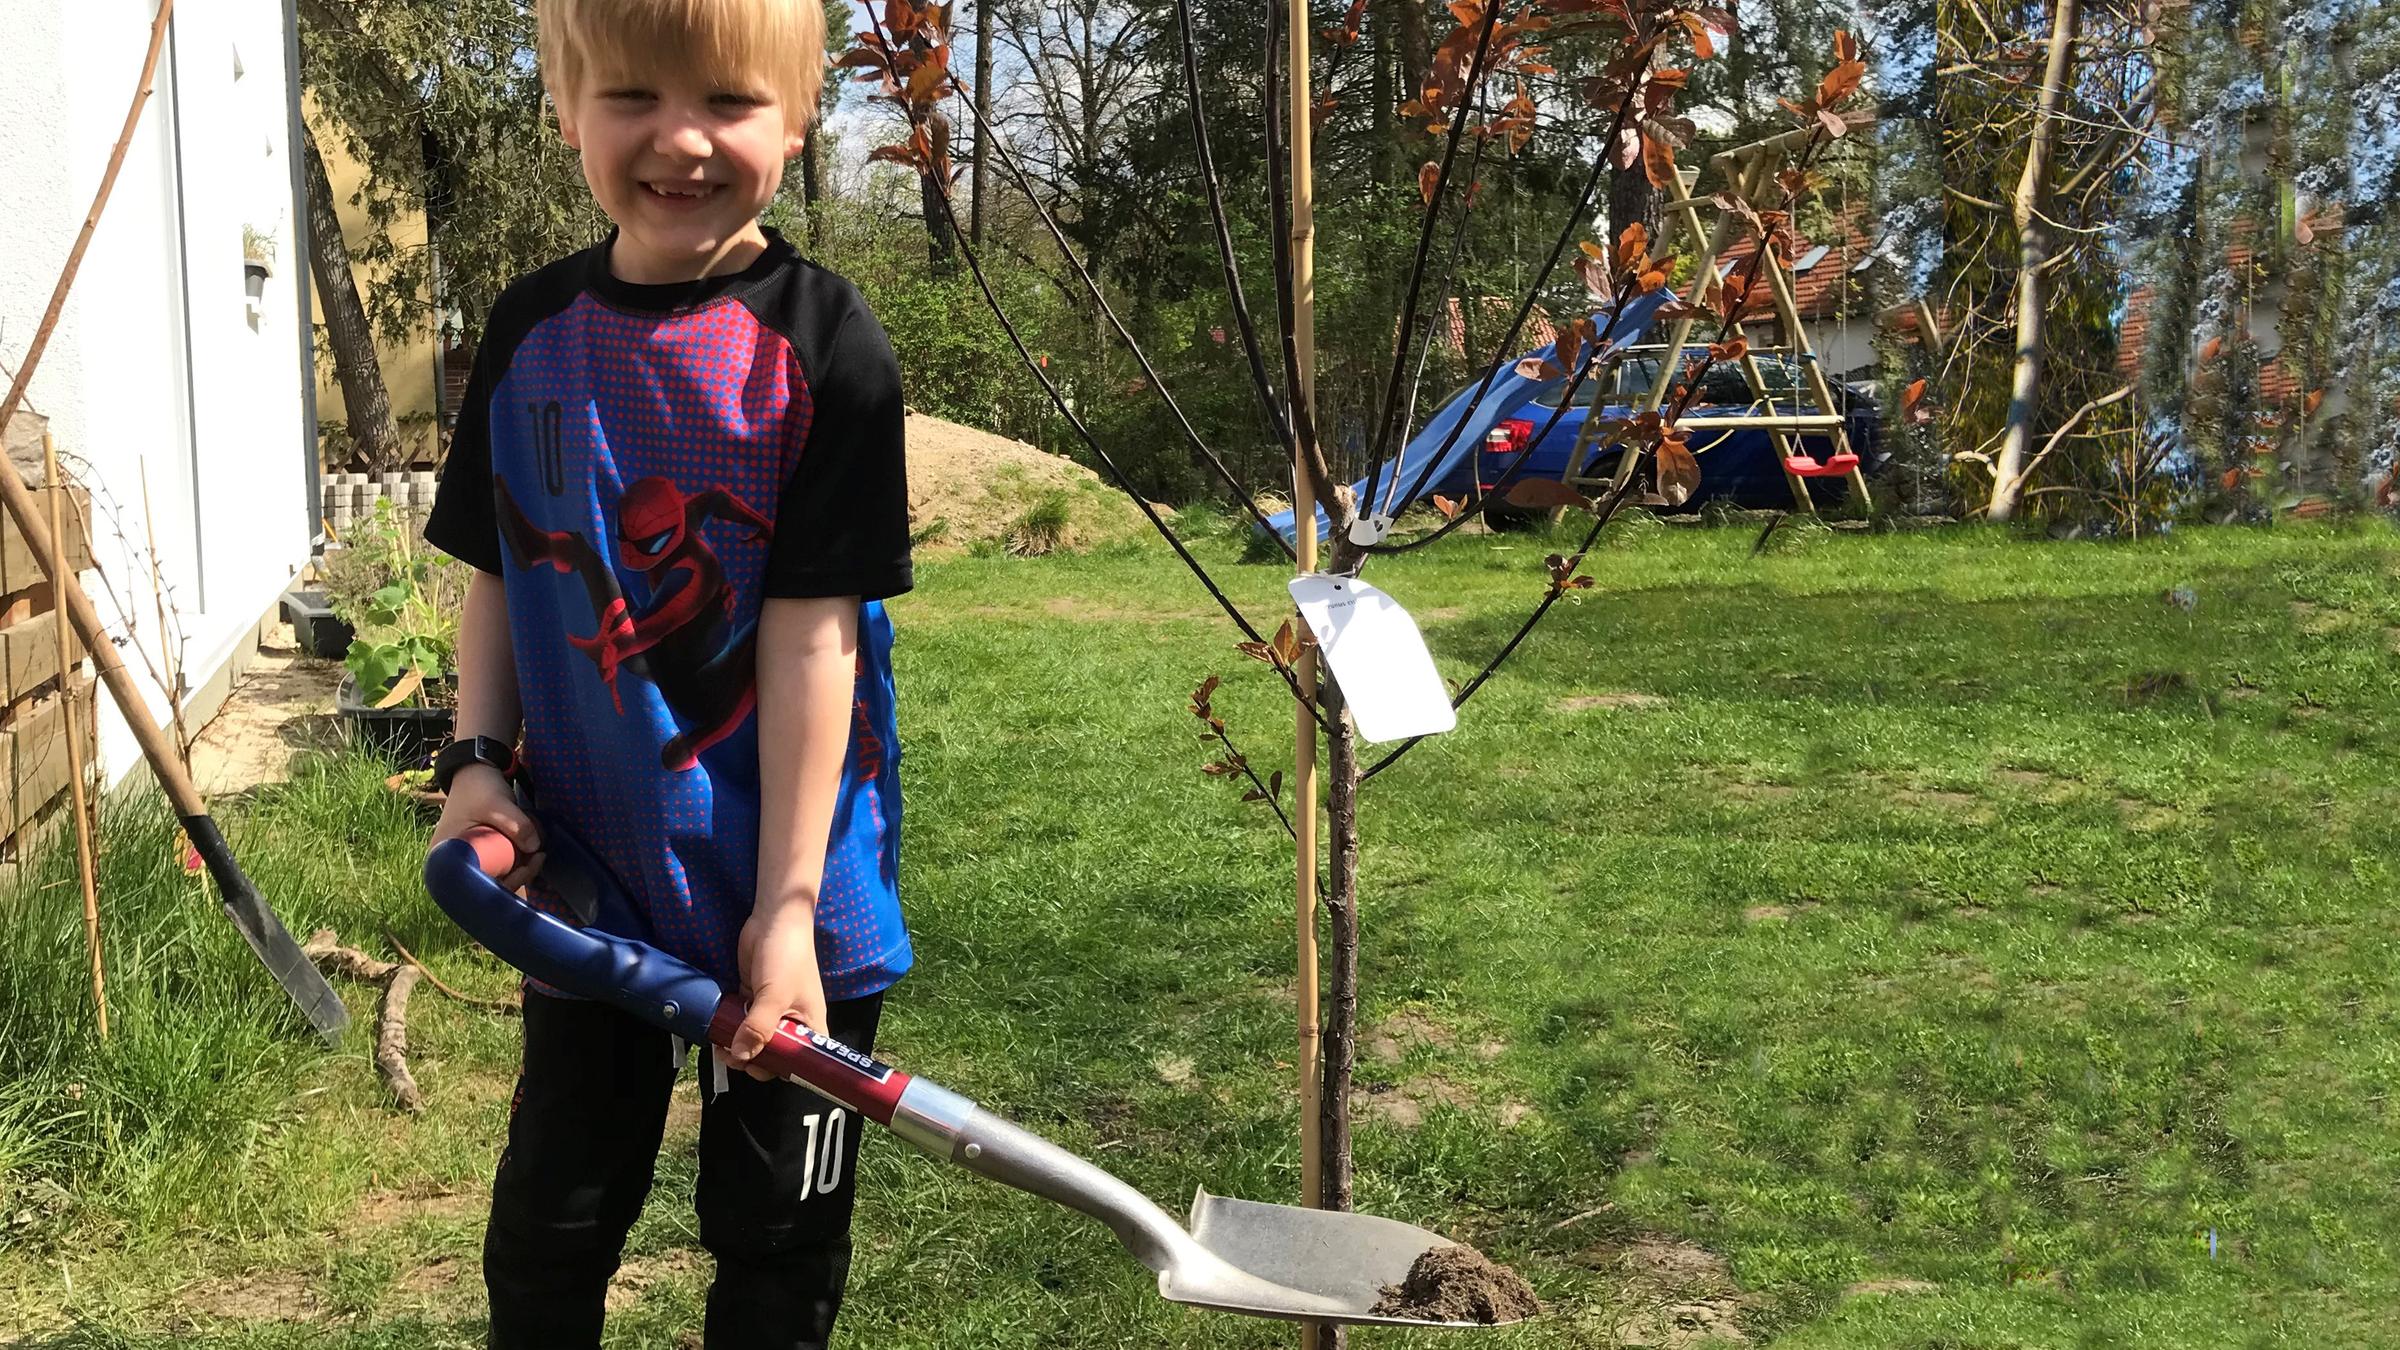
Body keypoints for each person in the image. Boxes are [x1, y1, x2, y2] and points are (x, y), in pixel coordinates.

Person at [420, 0, 913, 1343]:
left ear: (800, 117)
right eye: (632, 94)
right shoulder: (530, 334)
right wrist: (474, 765)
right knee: (550, 1226)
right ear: (564, 103)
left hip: (796, 895)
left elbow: (815, 638)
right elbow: (501, 576)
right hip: (587, 881)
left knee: (777, 1247)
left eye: (731, 102)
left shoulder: (825, 348)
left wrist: (788, 909)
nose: (681, 138)